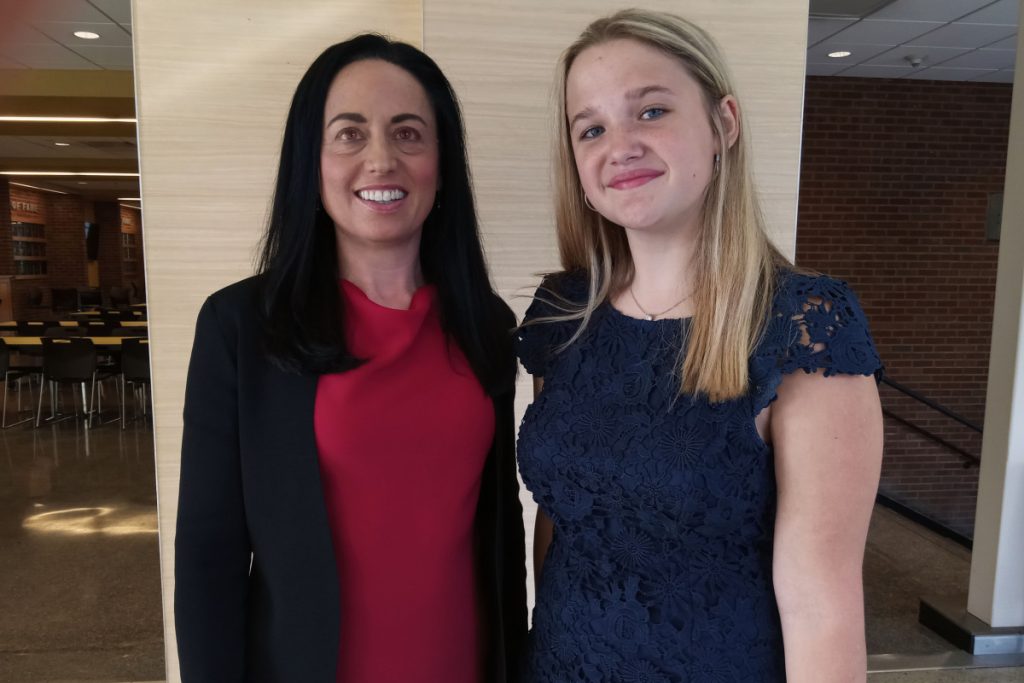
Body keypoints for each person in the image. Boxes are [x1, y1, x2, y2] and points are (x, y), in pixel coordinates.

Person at [516, 9, 883, 682]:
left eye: (650, 112)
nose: (618, 144)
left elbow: (821, 606)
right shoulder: (564, 317)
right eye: (590, 128)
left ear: (724, 124)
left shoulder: (803, 327)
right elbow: (561, 521)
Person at [175, 34, 527, 683]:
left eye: (409, 133)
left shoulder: (488, 326)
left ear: (442, 162)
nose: (381, 158)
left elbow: (499, 541)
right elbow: (207, 559)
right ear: (309, 161)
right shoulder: (242, 329)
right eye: (349, 134)